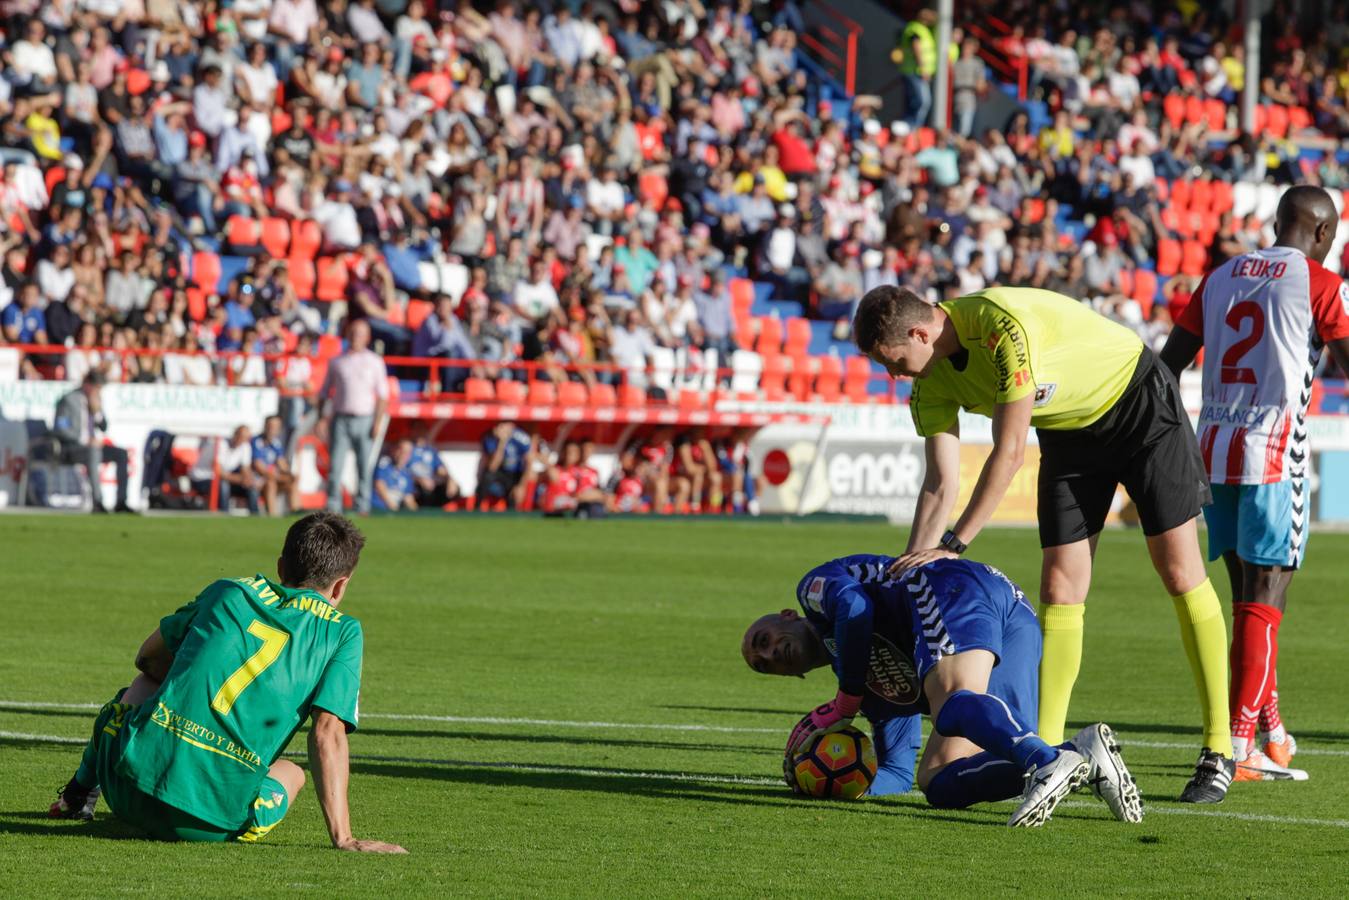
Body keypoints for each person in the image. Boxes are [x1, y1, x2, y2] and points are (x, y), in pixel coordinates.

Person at [852, 284, 1234, 803]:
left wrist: (954, 545)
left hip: (1138, 403)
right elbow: (940, 482)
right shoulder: (930, 383)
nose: (893, 375)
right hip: (1069, 431)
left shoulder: (998, 327)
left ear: (920, 333)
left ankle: (1220, 747)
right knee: (1059, 585)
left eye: (893, 361)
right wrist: (910, 568)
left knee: (1179, 570)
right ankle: (1052, 757)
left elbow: (1008, 453)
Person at [48, 513, 407, 854]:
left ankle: (77, 796)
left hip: (126, 789)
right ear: (341, 586)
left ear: (281, 566)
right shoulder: (342, 631)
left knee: (141, 687)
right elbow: (327, 731)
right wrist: (343, 837)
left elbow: (147, 659)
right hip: (209, 824)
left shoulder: (229, 591)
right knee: (292, 773)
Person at [1160, 185, 1349, 781]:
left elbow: (1168, 366)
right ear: (1323, 234)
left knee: (1248, 600)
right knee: (1264, 602)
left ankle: (1272, 731)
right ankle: (1236, 748)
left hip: (1212, 454)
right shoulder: (1321, 284)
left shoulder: (1219, 277)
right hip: (1274, 455)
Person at [742, 555, 1141, 827]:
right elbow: (896, 772)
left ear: (787, 617)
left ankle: (1045, 759)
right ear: (790, 677)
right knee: (936, 781)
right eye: (763, 664)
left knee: (950, 704)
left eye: (763, 639)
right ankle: (1078, 754)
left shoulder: (812, 593)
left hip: (949, 587)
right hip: (1012, 622)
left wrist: (845, 702)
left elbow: (854, 606)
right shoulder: (874, 688)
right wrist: (830, 784)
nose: (770, 652)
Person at [317, 320, 389, 515]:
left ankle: (362, 504)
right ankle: (333, 504)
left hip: (365, 418)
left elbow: (382, 395)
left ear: (367, 338)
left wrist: (377, 422)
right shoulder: (337, 361)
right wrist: (321, 418)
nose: (356, 337)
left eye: (360, 333)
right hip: (340, 418)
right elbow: (324, 392)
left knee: (364, 465)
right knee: (336, 464)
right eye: (353, 332)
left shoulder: (374, 361)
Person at [52, 372, 133, 513]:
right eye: (96, 387)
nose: (98, 391)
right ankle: (98, 502)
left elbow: (104, 427)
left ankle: (121, 502)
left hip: (90, 448)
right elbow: (60, 428)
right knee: (93, 452)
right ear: (87, 385)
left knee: (121, 454)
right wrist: (84, 440)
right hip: (71, 448)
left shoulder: (95, 401)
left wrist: (97, 411)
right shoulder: (68, 400)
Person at [192, 426, 261, 514]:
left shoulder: (245, 446)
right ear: (234, 434)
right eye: (240, 436)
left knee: (251, 488)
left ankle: (255, 517)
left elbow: (246, 470)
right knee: (223, 485)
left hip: (222, 479)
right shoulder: (220, 444)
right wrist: (241, 479)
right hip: (201, 478)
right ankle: (223, 514)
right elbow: (219, 472)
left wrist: (250, 481)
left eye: (245, 438)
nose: (241, 440)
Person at [251, 415, 301, 516]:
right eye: (270, 426)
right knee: (271, 482)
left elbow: (281, 463)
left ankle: (295, 512)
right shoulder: (256, 441)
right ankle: (272, 515)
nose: (272, 429)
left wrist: (289, 474)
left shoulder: (276, 443)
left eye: (275, 427)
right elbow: (258, 466)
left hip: (274, 477)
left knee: (292, 481)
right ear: (265, 426)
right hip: (259, 481)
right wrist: (275, 475)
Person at [372, 439, 418, 512]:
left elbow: (408, 499)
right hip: (378, 509)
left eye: (407, 453)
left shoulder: (406, 473)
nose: (403, 454)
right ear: (394, 449)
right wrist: (393, 507)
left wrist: (416, 513)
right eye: (401, 450)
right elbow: (379, 485)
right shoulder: (384, 464)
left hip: (393, 512)